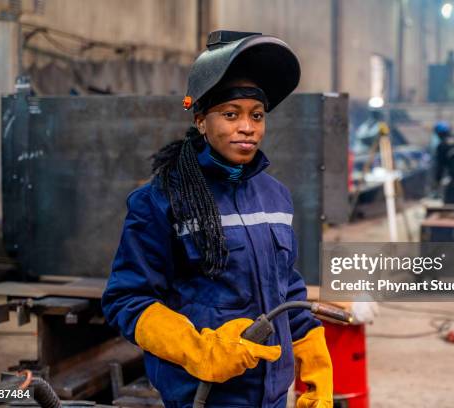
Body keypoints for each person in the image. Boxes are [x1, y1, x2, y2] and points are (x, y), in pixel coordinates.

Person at [101, 31, 332, 408]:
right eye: (231, 114)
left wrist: (313, 360)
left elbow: (286, 290)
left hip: (272, 394)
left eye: (256, 115)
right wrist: (199, 350)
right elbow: (127, 299)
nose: (247, 127)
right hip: (204, 395)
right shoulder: (161, 200)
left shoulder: (276, 196)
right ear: (201, 121)